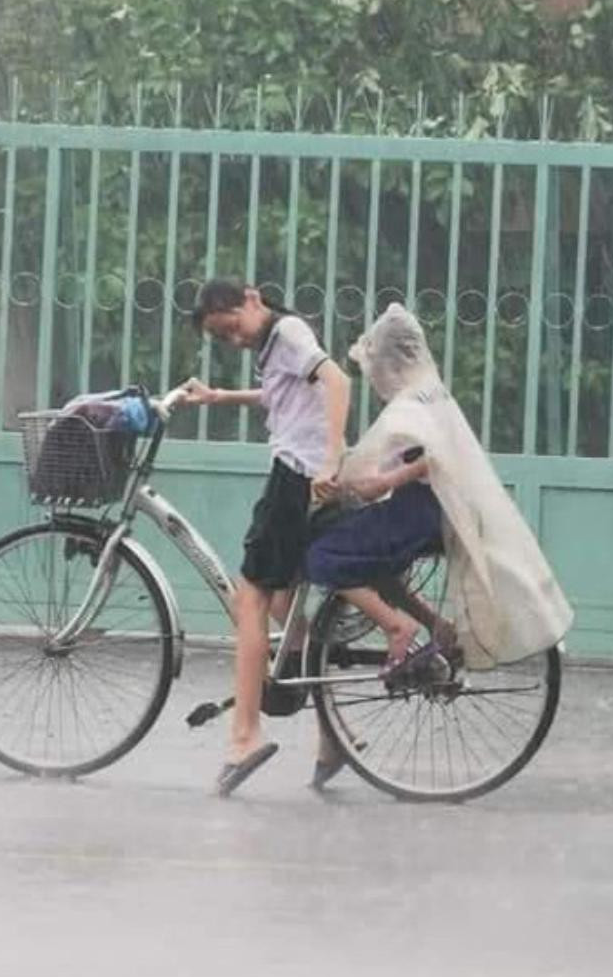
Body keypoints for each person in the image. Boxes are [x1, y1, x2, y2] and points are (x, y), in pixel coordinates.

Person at [310, 303, 573, 789]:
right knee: (373, 564)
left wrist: (359, 480)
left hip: (420, 512)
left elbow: (405, 467)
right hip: (436, 510)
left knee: (321, 557)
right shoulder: (433, 394)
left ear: (390, 362)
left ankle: (397, 626)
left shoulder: (410, 405)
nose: (374, 378)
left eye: (375, 368)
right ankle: (437, 624)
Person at [183, 279, 350, 795]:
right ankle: (333, 733)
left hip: (296, 476)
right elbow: (282, 391)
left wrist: (331, 457)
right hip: (299, 474)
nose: (233, 341)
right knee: (284, 609)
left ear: (252, 299)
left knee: (249, 599)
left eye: (231, 328)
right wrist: (220, 396)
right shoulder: (277, 343)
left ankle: (245, 735)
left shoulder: (290, 330)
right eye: (222, 338)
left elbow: (338, 381)